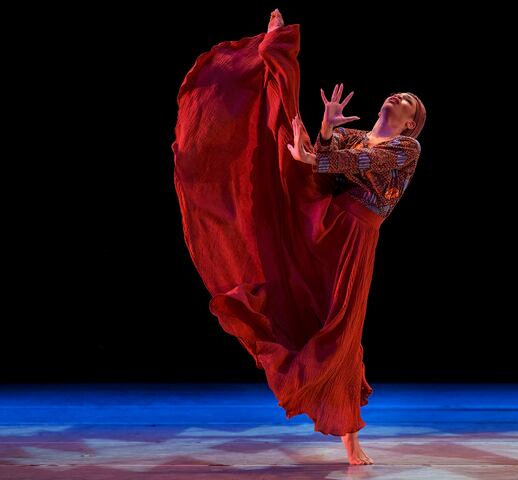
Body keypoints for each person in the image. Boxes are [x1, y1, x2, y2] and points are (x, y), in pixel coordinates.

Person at [172, 8, 425, 466]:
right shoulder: (356, 137)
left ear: (410, 122)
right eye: (397, 94)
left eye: (407, 100)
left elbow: (359, 164)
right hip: (325, 224)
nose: (397, 97)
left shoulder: (407, 147)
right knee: (286, 146)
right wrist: (327, 128)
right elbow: (326, 157)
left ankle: (349, 435)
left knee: (341, 327)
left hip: (353, 239)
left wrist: (317, 156)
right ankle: (274, 59)